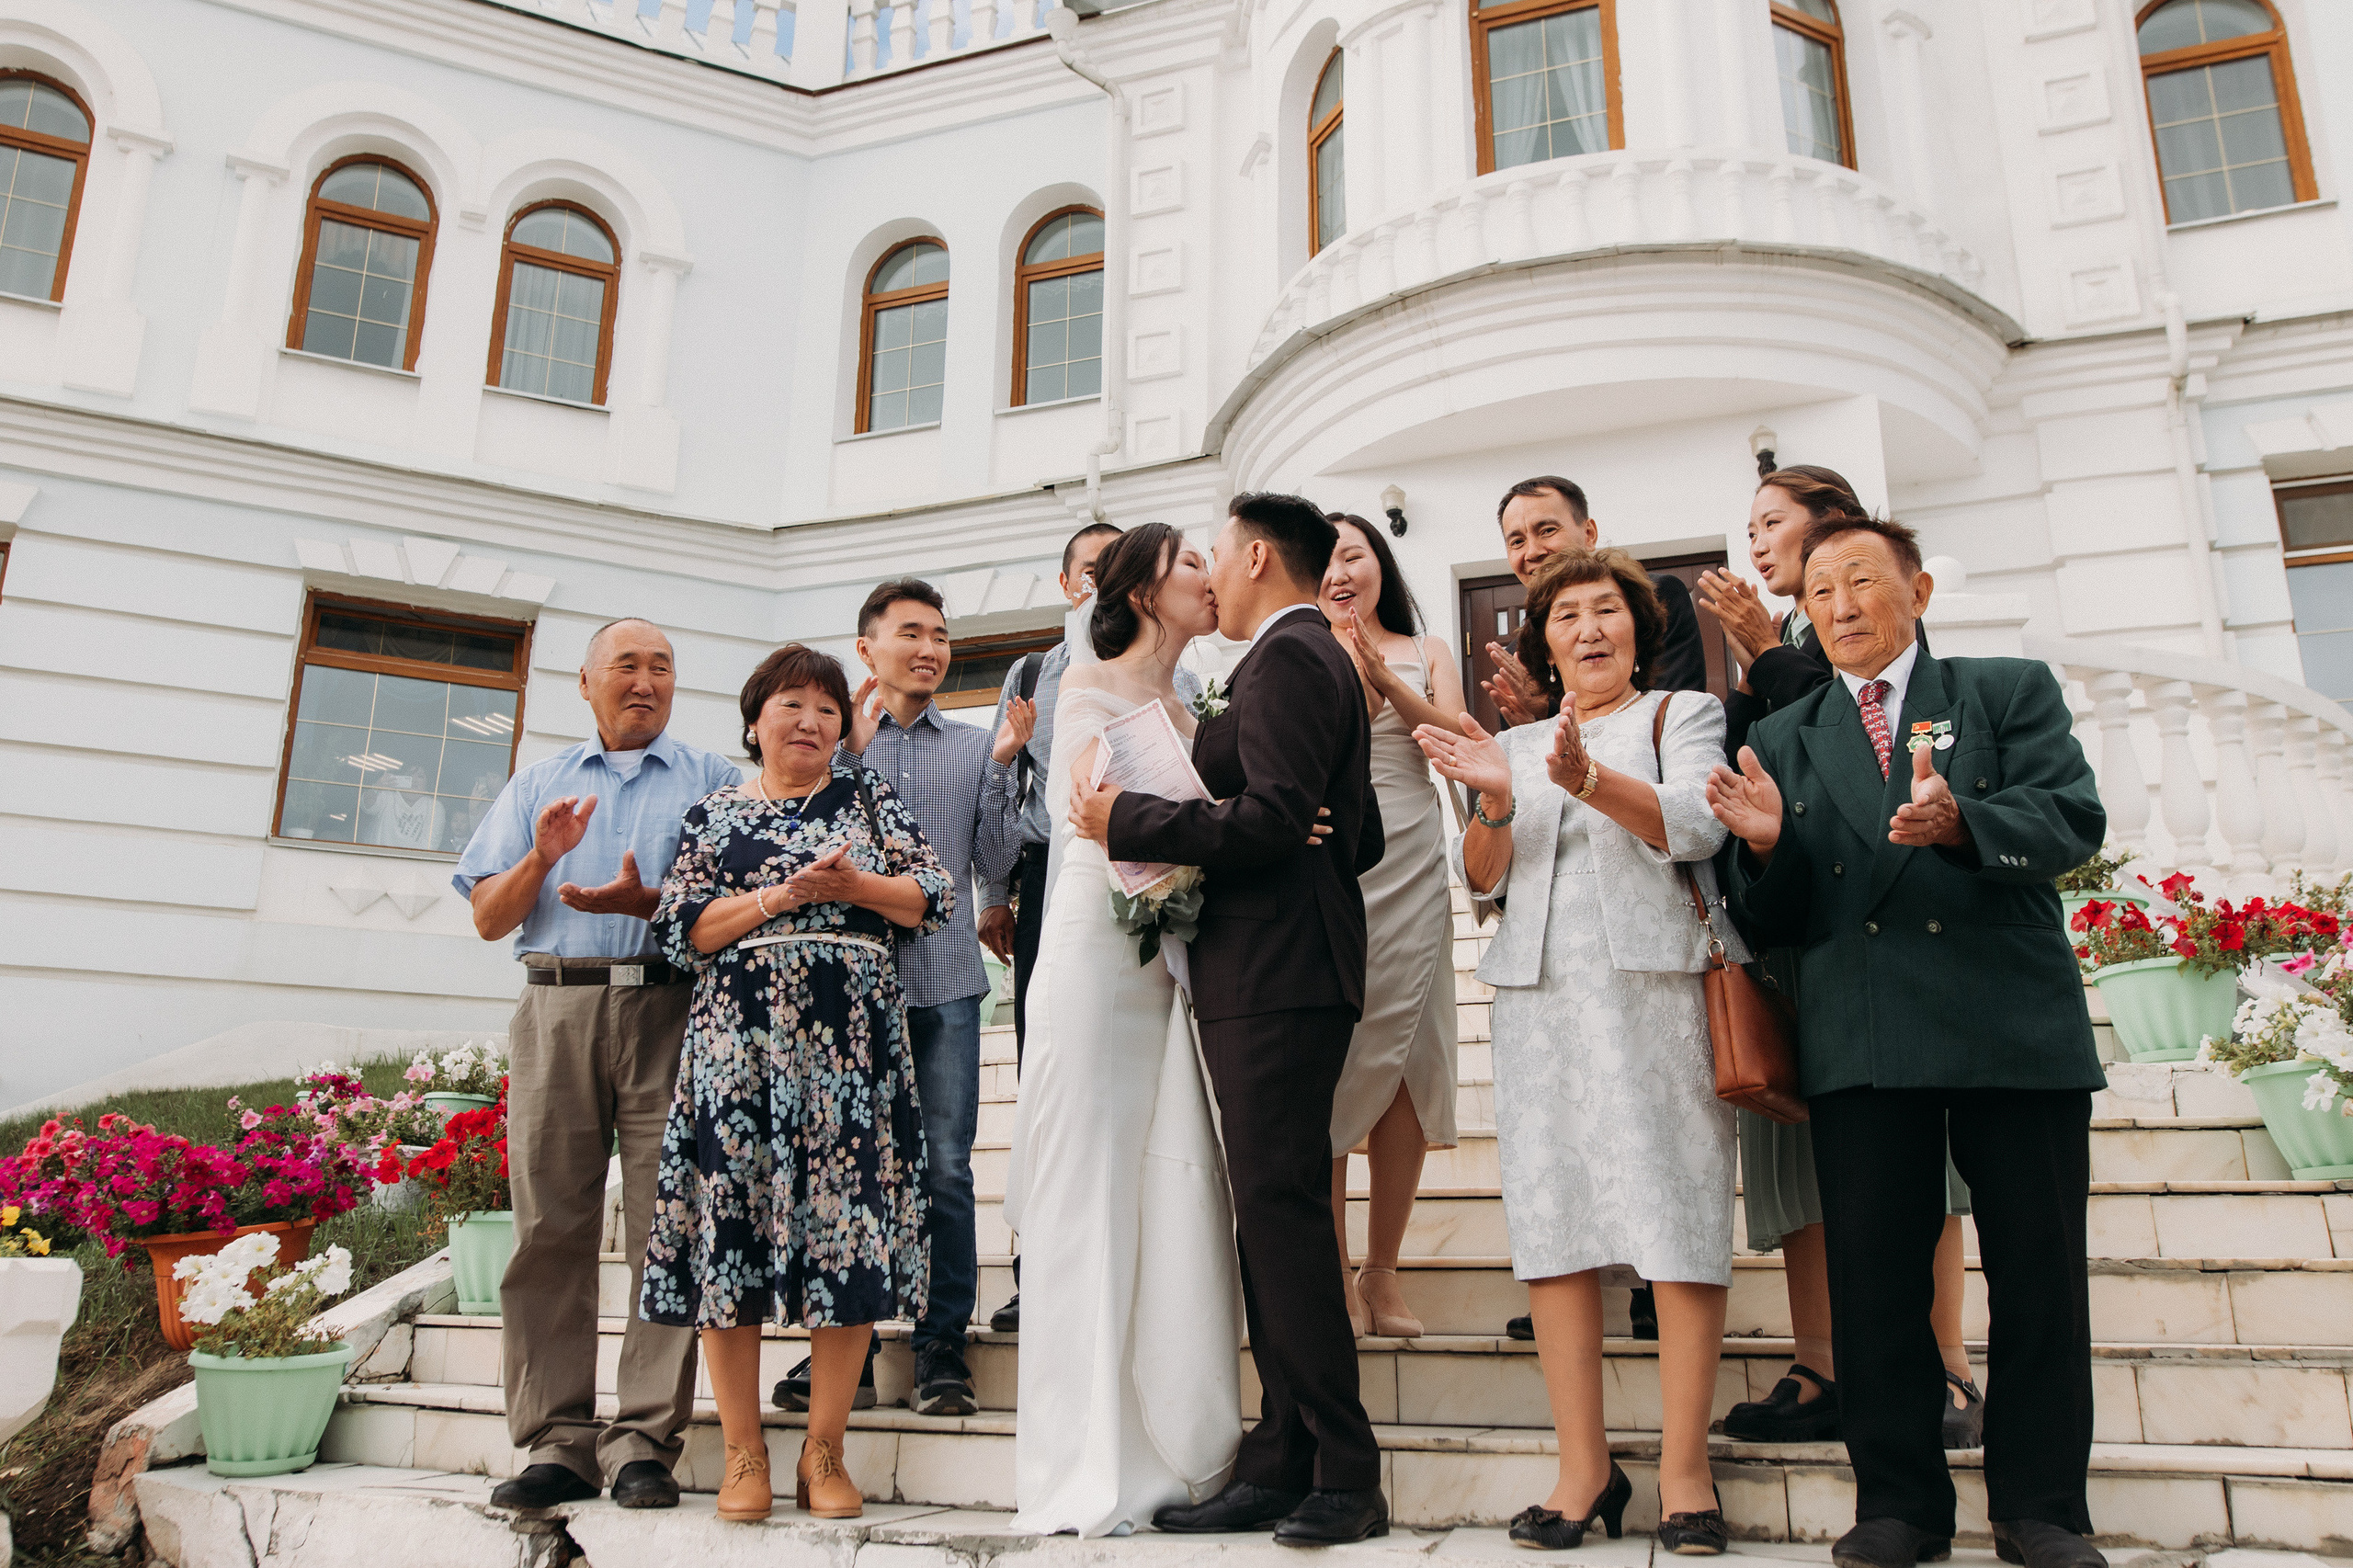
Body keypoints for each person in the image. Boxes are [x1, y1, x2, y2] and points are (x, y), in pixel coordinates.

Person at [1708, 517, 2108, 1568]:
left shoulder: (2003, 690)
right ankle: (1897, 1504)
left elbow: (2071, 817)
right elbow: (1779, 917)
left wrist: (1964, 822)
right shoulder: (1785, 732)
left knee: (2038, 1275)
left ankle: (2043, 1507)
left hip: (2008, 1024)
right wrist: (1767, 848)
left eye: (1862, 581)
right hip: (1863, 1028)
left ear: (1917, 589)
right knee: (1875, 1283)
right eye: (1822, 588)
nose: (1839, 605)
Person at [1070, 493, 1389, 1547]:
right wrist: (1300, 826)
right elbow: (1363, 833)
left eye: (1218, 550)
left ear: (1258, 555)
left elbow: (1269, 820)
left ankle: (1345, 1468)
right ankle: (1281, 1449)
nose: (1213, 568)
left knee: (1283, 1210)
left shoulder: (1293, 656)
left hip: (1281, 970)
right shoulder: (1290, 661)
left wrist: (1128, 818)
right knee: (1270, 1210)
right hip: (1275, 962)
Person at [1415, 548, 1742, 1556]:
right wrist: (1500, 799)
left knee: (1677, 1211)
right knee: (1552, 1222)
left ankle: (1685, 1471)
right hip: (1540, 995)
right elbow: (1481, 877)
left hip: (1654, 990)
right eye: (1567, 617)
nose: (1589, 629)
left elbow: (1693, 824)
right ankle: (1583, 1467)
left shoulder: (1679, 714)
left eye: (1607, 611)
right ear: (1543, 642)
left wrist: (1588, 777)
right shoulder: (1507, 741)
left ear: (1637, 628)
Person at [1696, 469, 1983, 1450]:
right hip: (1791, 933)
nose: (1756, 542)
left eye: (1771, 521)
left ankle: (1941, 1363)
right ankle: (1819, 1361)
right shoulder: (1764, 655)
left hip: (1893, 941)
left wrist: (1771, 652)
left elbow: (1882, 750)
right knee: (1796, 1161)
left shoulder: (1875, 641)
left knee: (1925, 1168)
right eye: (1750, 527)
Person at [640, 643, 951, 1522]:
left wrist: (859, 884)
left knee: (845, 1242)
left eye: (825, 708)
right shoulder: (713, 813)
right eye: (790, 706)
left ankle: (824, 1450)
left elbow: (933, 896)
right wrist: (776, 899)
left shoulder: (868, 798)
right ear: (754, 721)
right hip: (737, 1056)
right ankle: (744, 1455)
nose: (810, 721)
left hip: (851, 1059)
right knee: (727, 1240)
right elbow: (681, 932)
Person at [453, 618, 740, 1513]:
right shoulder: (541, 782)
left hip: (672, 1005)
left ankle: (645, 1439)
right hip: (558, 1001)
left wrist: (649, 903)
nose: (645, 680)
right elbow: (489, 917)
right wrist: (542, 854)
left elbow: (740, 904)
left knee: (669, 1230)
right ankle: (556, 1438)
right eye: (627, 664)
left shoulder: (714, 781)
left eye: (662, 665)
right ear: (586, 683)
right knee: (548, 1227)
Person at [1003, 523, 1243, 1537]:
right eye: (1194, 562)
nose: (1212, 575)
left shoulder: (1199, 702)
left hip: (1170, 967)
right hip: (1100, 962)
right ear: (1145, 588)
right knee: (1092, 1194)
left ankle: (1174, 1447)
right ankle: (1087, 1459)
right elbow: (1104, 835)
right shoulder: (1090, 688)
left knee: (1173, 1185)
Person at [979, 521, 1200, 1335]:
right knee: (1068, 1093)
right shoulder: (1052, 675)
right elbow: (1038, 805)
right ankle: (1048, 1281)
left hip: (1172, 914)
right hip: (1077, 891)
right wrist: (994, 891)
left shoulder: (1195, 683)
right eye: (1091, 565)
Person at [822, 579, 1021, 1417]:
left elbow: (998, 864)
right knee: (851, 1173)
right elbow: (804, 844)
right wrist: (848, 758)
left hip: (943, 988)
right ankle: (849, 1353)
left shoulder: (974, 747)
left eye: (940, 635)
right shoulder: (835, 746)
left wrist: (1010, 770)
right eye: (911, 633)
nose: (931, 648)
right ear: (867, 650)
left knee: (945, 1169)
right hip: (850, 992)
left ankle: (944, 1346)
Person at [1317, 513, 1463, 1340]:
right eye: (1327, 560)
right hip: (1338, 871)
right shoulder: (1302, 650)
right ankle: (1332, 1269)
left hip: (1413, 865)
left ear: (1381, 564)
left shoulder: (1427, 649)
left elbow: (1452, 739)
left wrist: (1384, 675)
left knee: (1409, 1067)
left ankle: (1384, 1270)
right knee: (1337, 1070)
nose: (1341, 573)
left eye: (1355, 555)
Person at [1481, 476, 1709, 727]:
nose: (1533, 552)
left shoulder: (1656, 598)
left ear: (1589, 534)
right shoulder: (1518, 657)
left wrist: (1549, 709)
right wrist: (1530, 728)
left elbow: (1677, 712)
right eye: (1517, 542)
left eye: (1547, 531)